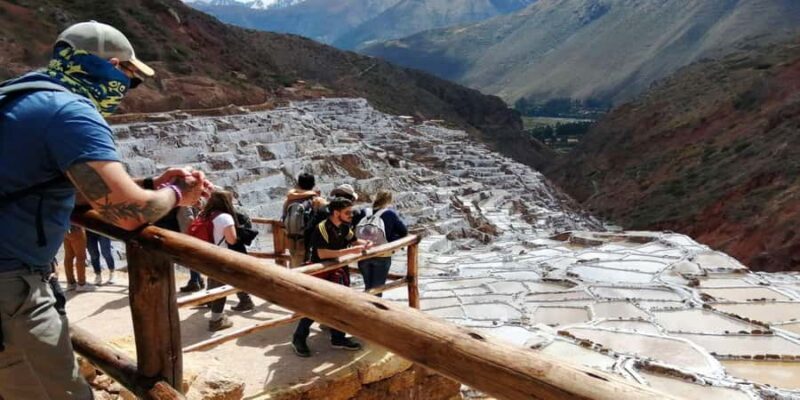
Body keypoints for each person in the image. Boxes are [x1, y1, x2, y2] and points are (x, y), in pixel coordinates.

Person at [0, 21, 210, 399]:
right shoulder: (71, 112)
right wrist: (178, 193)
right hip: (11, 286)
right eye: (131, 78)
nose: (128, 89)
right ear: (112, 67)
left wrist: (150, 184)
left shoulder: (21, 95)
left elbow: (62, 185)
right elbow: (128, 214)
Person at [291, 197, 371, 358]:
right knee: (316, 306)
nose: (351, 215)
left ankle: (338, 337)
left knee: (340, 304)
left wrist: (365, 243)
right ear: (336, 213)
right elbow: (322, 253)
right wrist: (349, 251)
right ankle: (298, 338)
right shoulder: (322, 228)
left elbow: (354, 240)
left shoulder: (344, 227)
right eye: (347, 212)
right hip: (321, 272)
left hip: (337, 271)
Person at [197, 191, 239, 331]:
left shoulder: (203, 214)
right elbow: (231, 240)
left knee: (212, 280)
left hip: (204, 254)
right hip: (219, 256)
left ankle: (210, 303)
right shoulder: (225, 217)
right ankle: (216, 320)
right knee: (221, 287)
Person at [357, 191, 408, 297]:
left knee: (368, 287)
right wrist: (392, 239)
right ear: (389, 200)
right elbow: (403, 232)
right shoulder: (390, 214)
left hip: (364, 254)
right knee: (377, 290)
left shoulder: (364, 212)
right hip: (382, 255)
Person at [282, 172, 321, 267]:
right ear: (313, 184)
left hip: (291, 238)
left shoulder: (289, 201)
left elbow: (284, 217)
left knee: (294, 263)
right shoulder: (315, 200)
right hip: (307, 240)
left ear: (299, 184)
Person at [63, 225, 93, 292]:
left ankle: (70, 283)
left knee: (68, 257)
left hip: (65, 230)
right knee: (80, 258)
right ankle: (81, 284)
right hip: (77, 229)